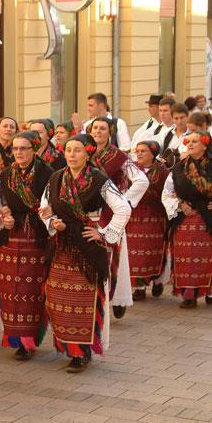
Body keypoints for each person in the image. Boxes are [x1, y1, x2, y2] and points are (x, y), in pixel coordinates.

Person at [40, 133, 130, 373]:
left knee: (85, 298)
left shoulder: (99, 179)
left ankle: (83, 351)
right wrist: (54, 223)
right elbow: (43, 208)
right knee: (59, 297)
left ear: (88, 152)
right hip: (61, 246)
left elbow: (123, 208)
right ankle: (67, 346)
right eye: (68, 150)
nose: (71, 154)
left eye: (77, 150)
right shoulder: (56, 178)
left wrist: (103, 233)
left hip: (87, 246)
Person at [0, 131, 53, 360]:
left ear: (34, 149)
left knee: (32, 290)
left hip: (37, 237)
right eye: (15, 149)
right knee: (10, 290)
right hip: (11, 237)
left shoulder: (47, 173)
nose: (18, 153)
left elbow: (50, 204)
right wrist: (3, 217)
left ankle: (30, 338)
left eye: (23, 148)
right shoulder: (5, 174)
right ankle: (16, 338)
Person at [162, 132, 212, 308]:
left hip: (207, 217)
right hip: (184, 217)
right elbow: (167, 191)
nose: (190, 144)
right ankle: (188, 294)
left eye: (194, 141)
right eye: (188, 141)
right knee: (183, 255)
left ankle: (211, 290)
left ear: (205, 145)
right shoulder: (179, 167)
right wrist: (179, 204)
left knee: (208, 255)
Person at [89, 117, 148, 318]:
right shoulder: (82, 151)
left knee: (115, 251)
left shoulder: (118, 156)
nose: (98, 131)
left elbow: (141, 180)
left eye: (102, 128)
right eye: (95, 128)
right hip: (87, 211)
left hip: (111, 212)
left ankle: (118, 297)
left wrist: (124, 200)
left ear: (110, 132)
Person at [126, 140, 169, 301]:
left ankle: (157, 280)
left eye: (143, 151)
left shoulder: (162, 171)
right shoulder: (130, 168)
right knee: (134, 253)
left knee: (153, 252)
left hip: (155, 216)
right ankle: (138, 287)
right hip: (133, 215)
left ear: (153, 154)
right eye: (138, 150)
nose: (139, 153)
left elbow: (168, 192)